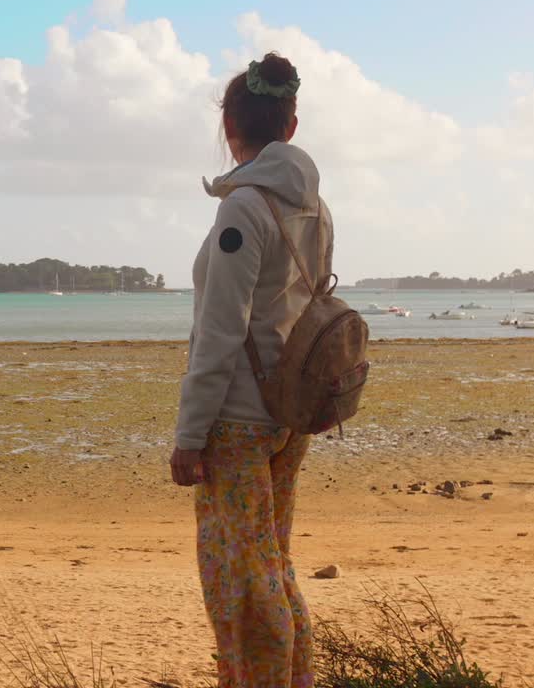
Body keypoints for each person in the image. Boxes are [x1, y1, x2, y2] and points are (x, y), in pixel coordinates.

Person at [170, 52, 333, 688]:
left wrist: (189, 435)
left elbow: (219, 332)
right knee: (273, 561)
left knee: (241, 576)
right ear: (290, 126)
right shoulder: (316, 209)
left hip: (237, 422)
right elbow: (309, 309)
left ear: (230, 128)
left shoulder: (244, 209)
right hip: (289, 414)